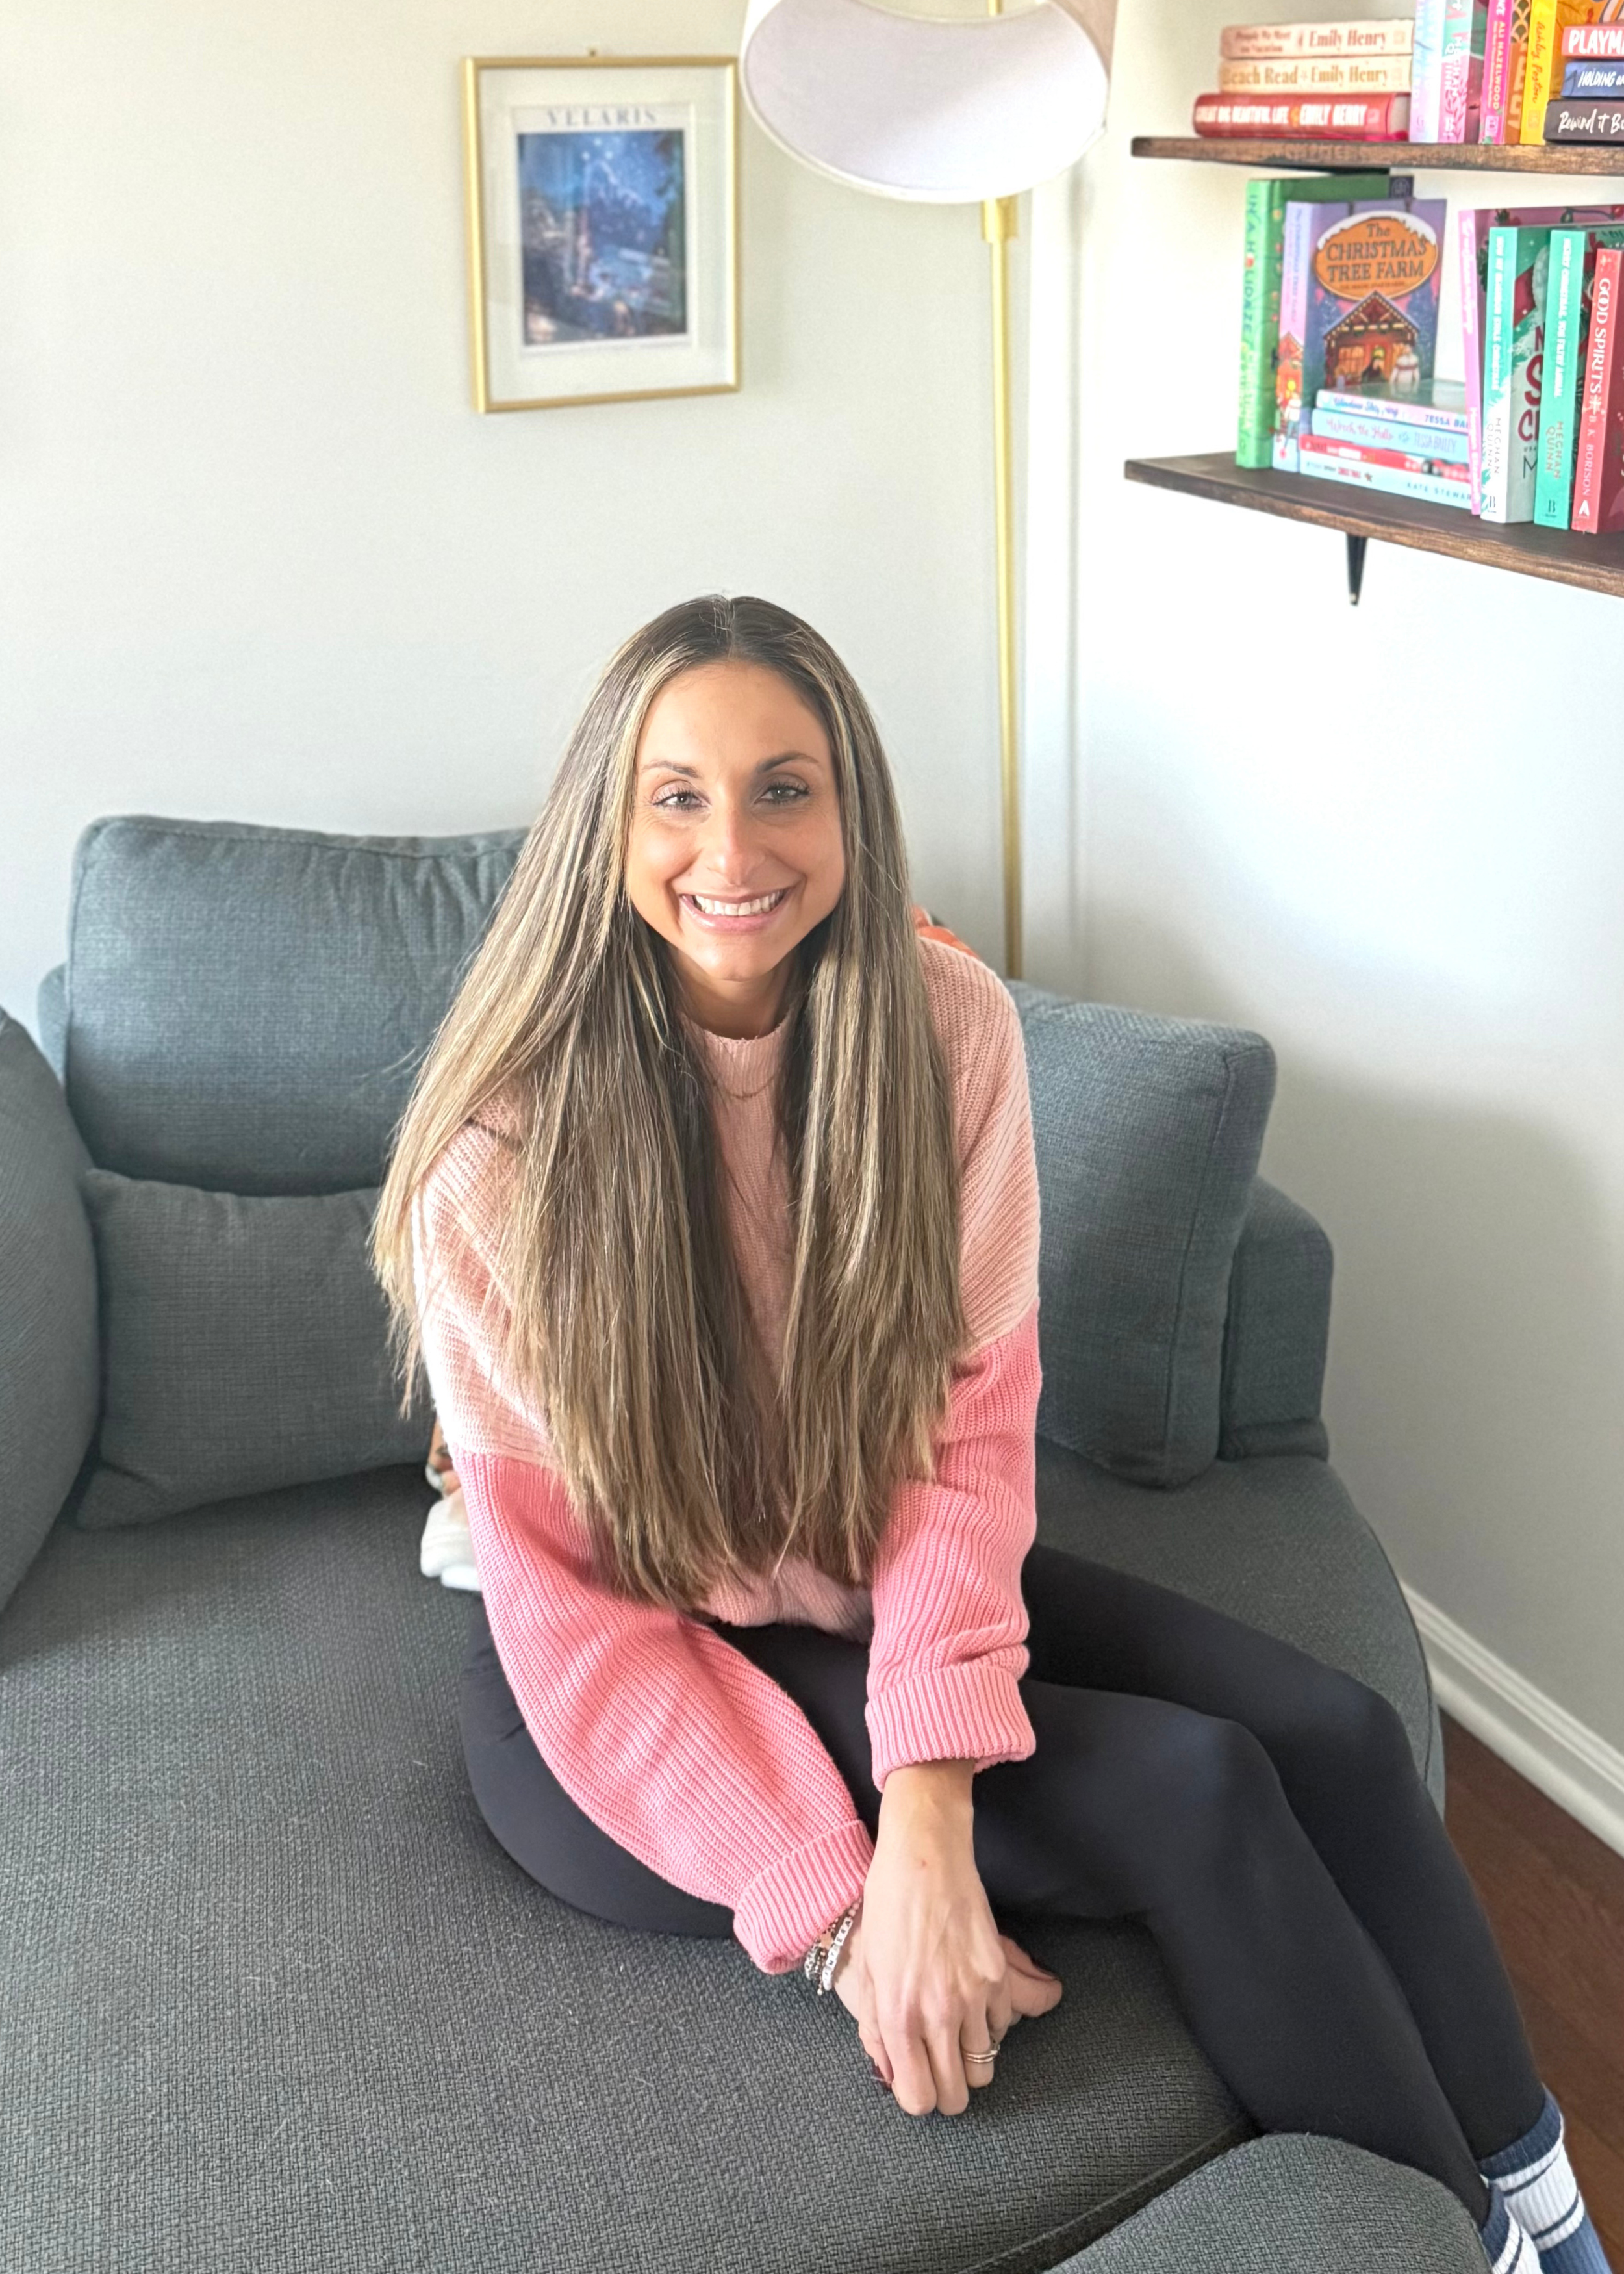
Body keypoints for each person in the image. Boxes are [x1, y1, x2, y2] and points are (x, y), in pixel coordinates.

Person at [373, 595, 1606, 2274]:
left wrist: (934, 1798)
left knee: (1331, 1728)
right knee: (1193, 1785)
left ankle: (1542, 2199)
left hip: (842, 1570)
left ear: (851, 808)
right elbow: (579, 1624)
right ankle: (1443, 2246)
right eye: (674, 793)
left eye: (781, 786)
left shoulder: (938, 1026)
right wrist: (847, 1897)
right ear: (608, 820)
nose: (730, 844)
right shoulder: (501, 1144)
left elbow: (961, 1449)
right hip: (617, 1686)